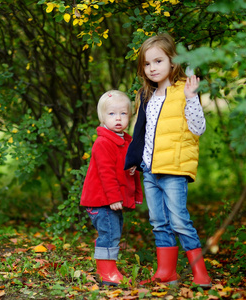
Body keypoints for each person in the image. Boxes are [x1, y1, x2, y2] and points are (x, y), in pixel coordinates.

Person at [124, 33, 212, 288]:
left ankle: (200, 273)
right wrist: (134, 160)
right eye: (147, 64)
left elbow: (198, 128)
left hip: (173, 169)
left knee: (179, 221)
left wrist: (192, 97)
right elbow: (140, 132)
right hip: (149, 170)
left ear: (172, 61)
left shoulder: (184, 89)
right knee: (158, 222)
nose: (152, 68)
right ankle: (166, 271)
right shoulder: (145, 96)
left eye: (158, 61)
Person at [80, 90, 143, 286]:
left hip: (111, 200)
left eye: (123, 114)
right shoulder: (103, 142)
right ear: (102, 117)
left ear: (130, 116)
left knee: (113, 232)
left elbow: (122, 170)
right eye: (112, 114)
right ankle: (106, 272)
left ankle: (107, 268)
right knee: (109, 233)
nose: (118, 118)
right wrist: (114, 197)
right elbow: (106, 174)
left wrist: (133, 168)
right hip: (103, 200)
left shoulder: (125, 142)